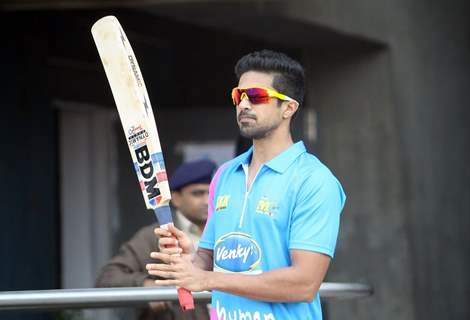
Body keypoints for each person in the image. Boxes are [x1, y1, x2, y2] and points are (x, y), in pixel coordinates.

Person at [146, 50, 346, 319]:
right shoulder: (225, 174)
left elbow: (304, 284)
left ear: (289, 107)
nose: (243, 105)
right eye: (238, 96)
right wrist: (188, 261)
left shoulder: (314, 181)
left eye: (257, 96)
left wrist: (207, 280)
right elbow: (209, 260)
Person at [96, 159, 217, 320]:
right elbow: (108, 278)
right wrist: (147, 286)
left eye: (211, 193)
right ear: (176, 198)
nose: (206, 200)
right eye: (198, 193)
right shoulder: (153, 235)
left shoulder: (228, 231)